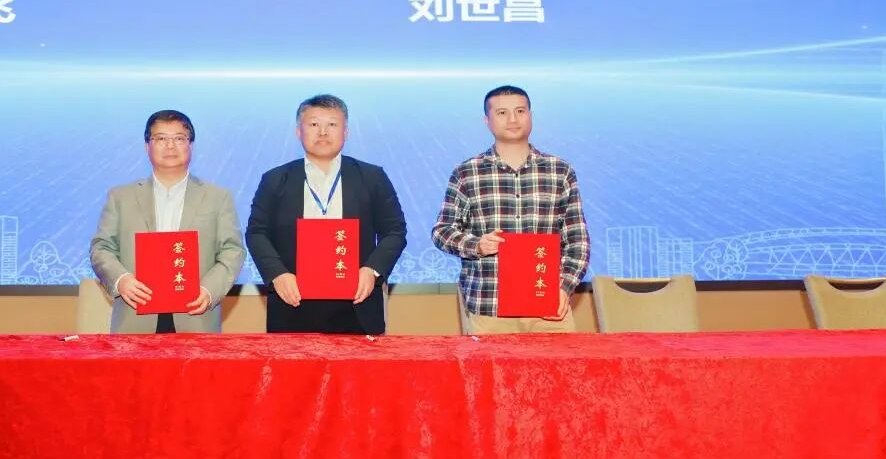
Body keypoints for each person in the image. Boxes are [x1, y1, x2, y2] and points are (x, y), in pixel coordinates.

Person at [431, 85, 590, 333]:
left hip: (549, 307)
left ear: (531, 115)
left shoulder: (560, 171)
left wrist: (564, 287)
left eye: (520, 111)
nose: (513, 119)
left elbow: (577, 241)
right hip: (489, 308)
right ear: (487, 121)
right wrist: (477, 245)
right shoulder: (467, 173)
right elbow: (442, 232)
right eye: (502, 113)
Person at [246, 94, 407, 334]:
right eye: (313, 124)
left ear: (346, 132)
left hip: (357, 302)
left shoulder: (372, 177)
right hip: (292, 300)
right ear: (298, 132)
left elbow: (395, 231)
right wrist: (277, 274)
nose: (323, 132)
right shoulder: (275, 179)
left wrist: (372, 270)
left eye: (332, 124)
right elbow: (257, 233)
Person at [90, 109, 245, 333]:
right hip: (135, 317)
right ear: (147, 146)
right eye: (161, 138)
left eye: (179, 138)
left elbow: (233, 250)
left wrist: (209, 290)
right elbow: (101, 247)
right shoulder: (120, 197)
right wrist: (121, 279)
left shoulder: (218, 197)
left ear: (191, 145)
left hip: (196, 317)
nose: (170, 146)